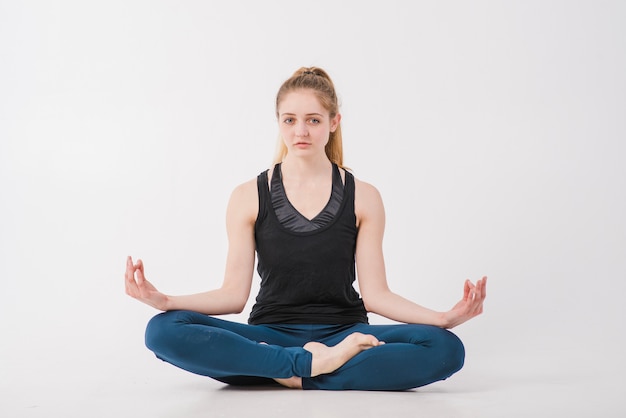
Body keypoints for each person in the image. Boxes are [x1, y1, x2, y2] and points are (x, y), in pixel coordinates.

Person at [125, 66, 487, 391]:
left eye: (313, 120)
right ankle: (313, 365)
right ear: (278, 123)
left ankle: (280, 372)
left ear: (333, 122)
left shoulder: (364, 197)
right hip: (270, 334)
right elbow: (234, 296)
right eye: (289, 120)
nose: (300, 131)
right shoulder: (247, 196)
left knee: (445, 348)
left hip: (345, 332)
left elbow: (376, 295)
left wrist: (443, 318)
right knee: (162, 329)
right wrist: (166, 301)